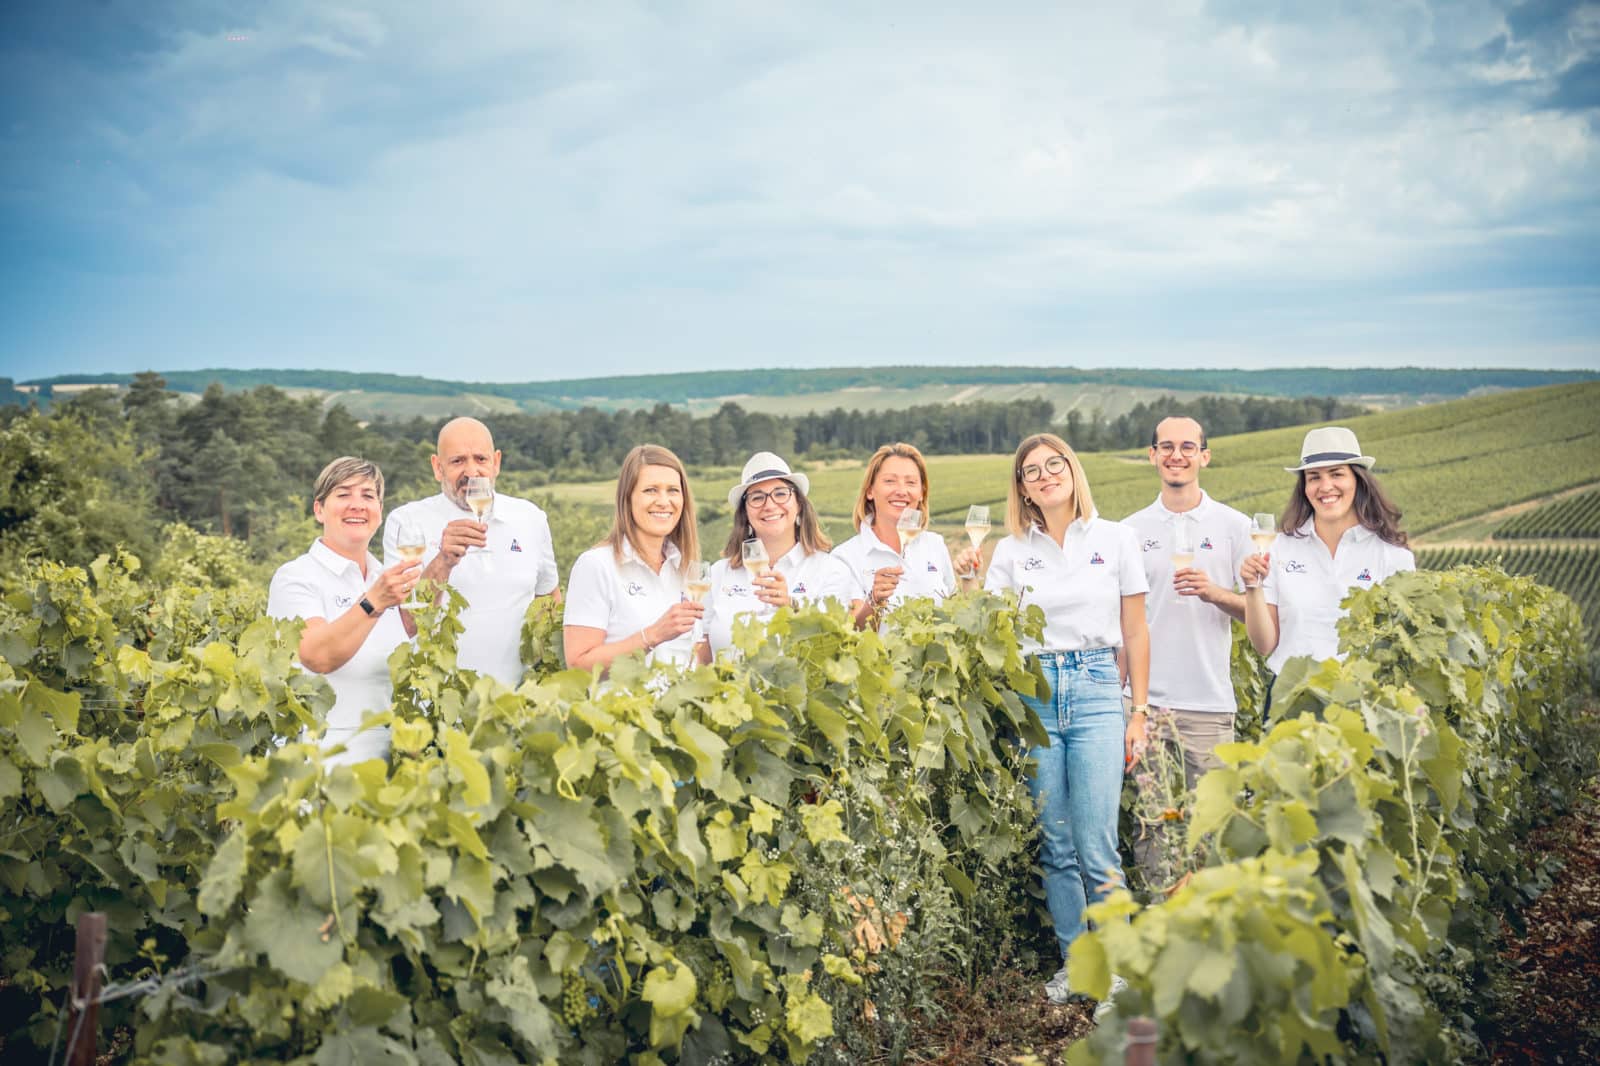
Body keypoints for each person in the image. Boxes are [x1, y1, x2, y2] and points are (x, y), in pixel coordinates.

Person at [955, 433, 1149, 1011]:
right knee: (1056, 842)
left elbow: (1135, 632)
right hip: (1035, 691)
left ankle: (1119, 969)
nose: (1044, 476)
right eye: (1031, 471)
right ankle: (1077, 967)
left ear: (1072, 470)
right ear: (1022, 488)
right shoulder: (1014, 551)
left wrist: (1137, 710)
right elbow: (989, 627)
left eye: (1053, 465)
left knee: (1096, 843)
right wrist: (969, 578)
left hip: (1095, 688)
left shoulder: (1115, 538)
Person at [1122, 417, 1251, 885]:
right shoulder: (1129, 532)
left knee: (1213, 828)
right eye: (1167, 447)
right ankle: (1162, 927)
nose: (1177, 455)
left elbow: (1258, 613)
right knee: (1152, 827)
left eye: (1188, 447)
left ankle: (1209, 933)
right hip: (1148, 705)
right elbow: (1122, 622)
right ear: (1152, 455)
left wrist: (1216, 593)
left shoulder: (1234, 526)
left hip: (1210, 706)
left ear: (1204, 456)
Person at [384, 417, 560, 687]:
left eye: (480, 459)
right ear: (437, 467)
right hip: (437, 702)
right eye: (457, 461)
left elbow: (549, 601)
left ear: (496, 462)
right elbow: (407, 621)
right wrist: (443, 561)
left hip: (518, 704)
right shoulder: (407, 522)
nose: (472, 471)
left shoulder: (530, 517)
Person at [268, 457, 421, 766]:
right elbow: (317, 655)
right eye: (343, 494)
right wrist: (372, 602)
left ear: (379, 512)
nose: (357, 504)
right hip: (323, 763)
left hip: (392, 762)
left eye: (368, 495)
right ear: (319, 509)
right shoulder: (295, 577)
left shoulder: (388, 578)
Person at [1242, 426, 1414, 679]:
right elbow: (1264, 644)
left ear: (1358, 480)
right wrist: (1252, 588)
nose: (1325, 486)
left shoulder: (1393, 556)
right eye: (1314, 477)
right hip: (1291, 697)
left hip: (1364, 698)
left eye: (1336, 474)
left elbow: (1402, 645)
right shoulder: (1280, 548)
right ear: (1305, 487)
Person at [697, 452, 859, 660]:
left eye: (781, 493)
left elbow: (834, 644)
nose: (770, 505)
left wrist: (792, 607)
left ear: (799, 504)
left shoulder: (831, 570)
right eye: (757, 497)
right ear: (745, 513)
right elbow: (703, 652)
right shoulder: (719, 573)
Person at [563, 444, 704, 673]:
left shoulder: (686, 570)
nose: (663, 501)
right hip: (622, 708)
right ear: (627, 498)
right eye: (650, 490)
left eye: (673, 490)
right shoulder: (597, 565)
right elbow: (578, 665)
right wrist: (652, 636)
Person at [832, 443, 957, 627]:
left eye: (911, 482)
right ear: (870, 491)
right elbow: (850, 636)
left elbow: (953, 615)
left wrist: (970, 579)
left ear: (922, 493)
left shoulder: (935, 545)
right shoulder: (845, 557)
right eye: (890, 481)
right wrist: (874, 601)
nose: (901, 490)